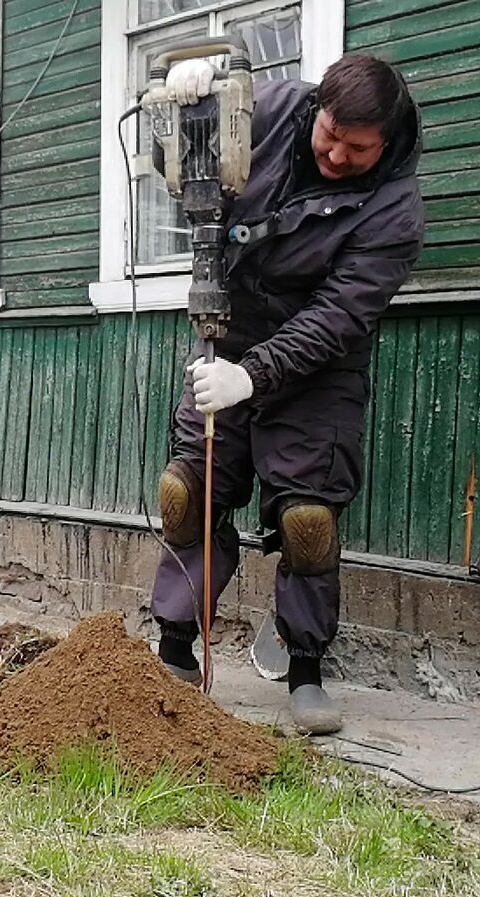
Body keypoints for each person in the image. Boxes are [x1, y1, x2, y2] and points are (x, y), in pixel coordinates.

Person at [148, 52, 425, 735]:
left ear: (385, 143)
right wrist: (192, 98)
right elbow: (175, 163)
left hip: (318, 365)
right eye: (329, 133)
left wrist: (254, 375)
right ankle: (176, 652)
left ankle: (305, 672)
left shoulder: (395, 210)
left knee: (307, 521)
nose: (335, 153)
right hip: (227, 330)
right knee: (189, 492)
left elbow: (338, 316)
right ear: (317, 108)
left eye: (357, 149)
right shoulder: (264, 111)